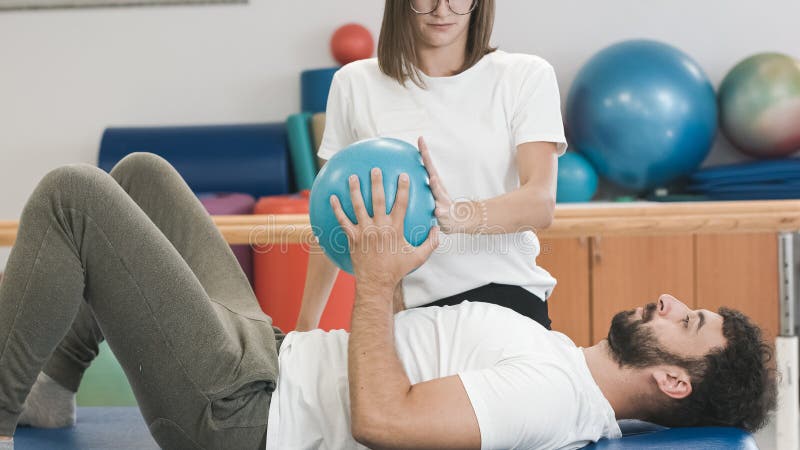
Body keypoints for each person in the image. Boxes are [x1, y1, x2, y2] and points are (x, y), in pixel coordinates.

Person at [0, 154, 777, 449]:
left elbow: (384, 420)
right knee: (143, 175)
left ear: (676, 380)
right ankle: (51, 393)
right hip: (273, 356)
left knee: (74, 198)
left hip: (242, 413)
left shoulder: (550, 397)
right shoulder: (554, 353)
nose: (673, 301)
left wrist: (371, 282)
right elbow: (399, 350)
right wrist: (403, 240)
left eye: (690, 323)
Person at [297, 0, 566, 331]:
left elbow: (540, 202)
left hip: (506, 300)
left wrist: (455, 216)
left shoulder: (525, 75)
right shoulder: (354, 83)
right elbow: (334, 214)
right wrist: (305, 328)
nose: (442, 9)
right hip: (399, 314)